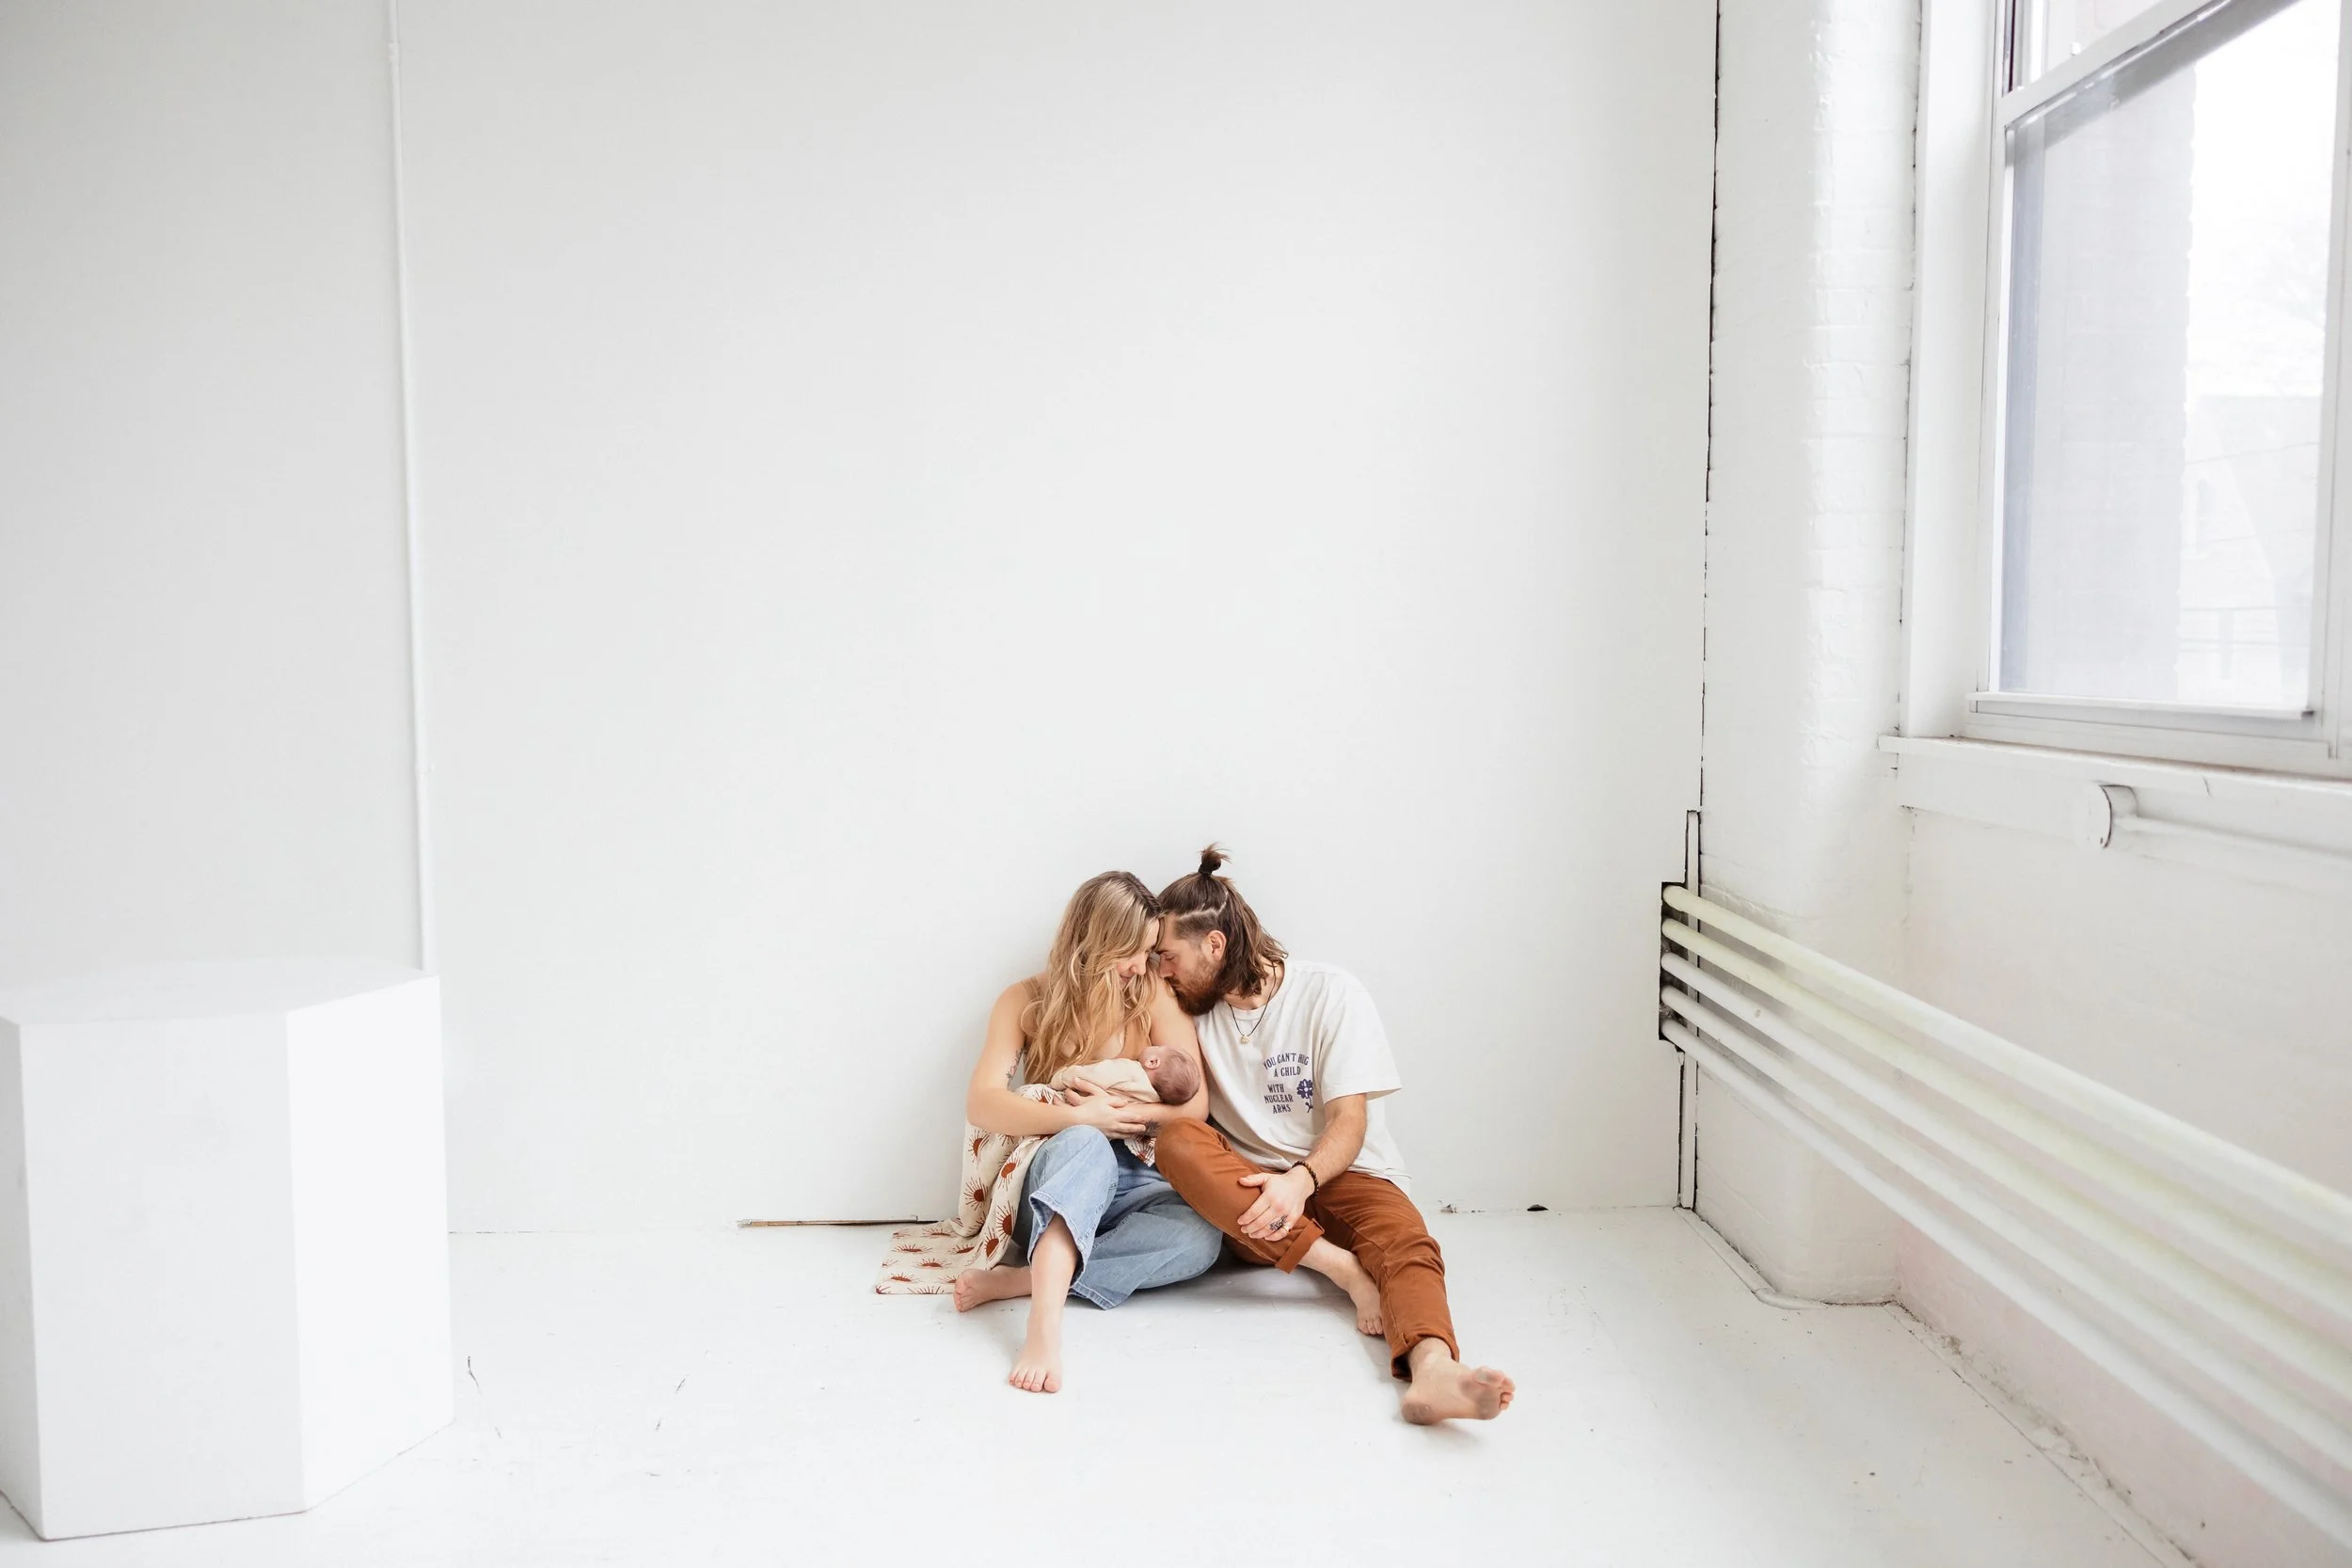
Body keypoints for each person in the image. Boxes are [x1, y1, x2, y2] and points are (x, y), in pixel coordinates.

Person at [1150, 847, 1517, 1424]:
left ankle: (1434, 1370)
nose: (1163, 971)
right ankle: (1342, 1269)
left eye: (1169, 956)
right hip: (1250, 1198)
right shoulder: (1185, 1010)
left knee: (1407, 1244)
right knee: (1176, 1140)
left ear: (1214, 945)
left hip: (1343, 1174)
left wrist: (1300, 1181)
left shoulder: (1330, 992)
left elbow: (1350, 1122)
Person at [948, 871, 1225, 1393]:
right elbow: (982, 1102)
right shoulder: (1025, 1000)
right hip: (1056, 1175)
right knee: (1086, 1145)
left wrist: (1123, 1116)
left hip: (1130, 1176)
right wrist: (1080, 1119)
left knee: (1201, 1236)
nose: (1141, 965)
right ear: (1096, 942)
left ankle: (1026, 1280)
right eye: (1132, 952)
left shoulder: (1150, 994)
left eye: (1149, 951)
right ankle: (1043, 1330)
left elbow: (1195, 1106)